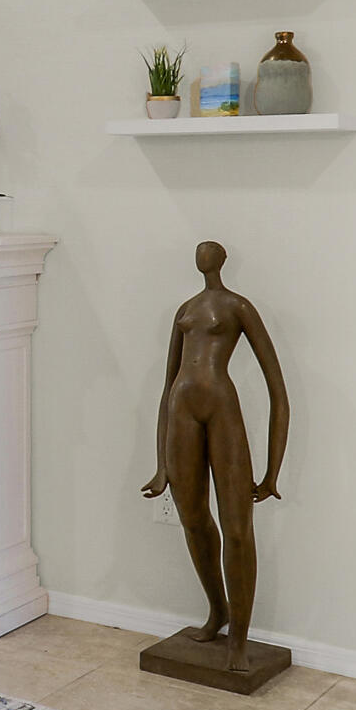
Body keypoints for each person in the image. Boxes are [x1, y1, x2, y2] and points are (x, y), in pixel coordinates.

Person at [141, 241, 289, 673]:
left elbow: (277, 389)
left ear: (221, 261)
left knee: (238, 528)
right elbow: (168, 385)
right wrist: (161, 464)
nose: (202, 256)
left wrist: (272, 469)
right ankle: (217, 612)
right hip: (182, 410)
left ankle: (239, 640)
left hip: (222, 409)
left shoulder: (238, 306)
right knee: (193, 519)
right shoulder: (184, 310)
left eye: (209, 251)